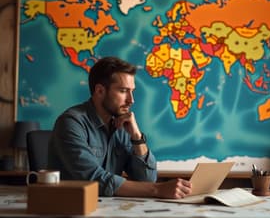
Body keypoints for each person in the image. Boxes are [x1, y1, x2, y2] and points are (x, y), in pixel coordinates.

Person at [47, 56, 192, 198]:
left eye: (132, 91)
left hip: (107, 209)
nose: (131, 100)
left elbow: (146, 179)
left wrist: (137, 138)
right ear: (100, 91)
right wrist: (157, 190)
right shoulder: (71, 123)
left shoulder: (122, 126)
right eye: (123, 91)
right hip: (71, 208)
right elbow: (94, 179)